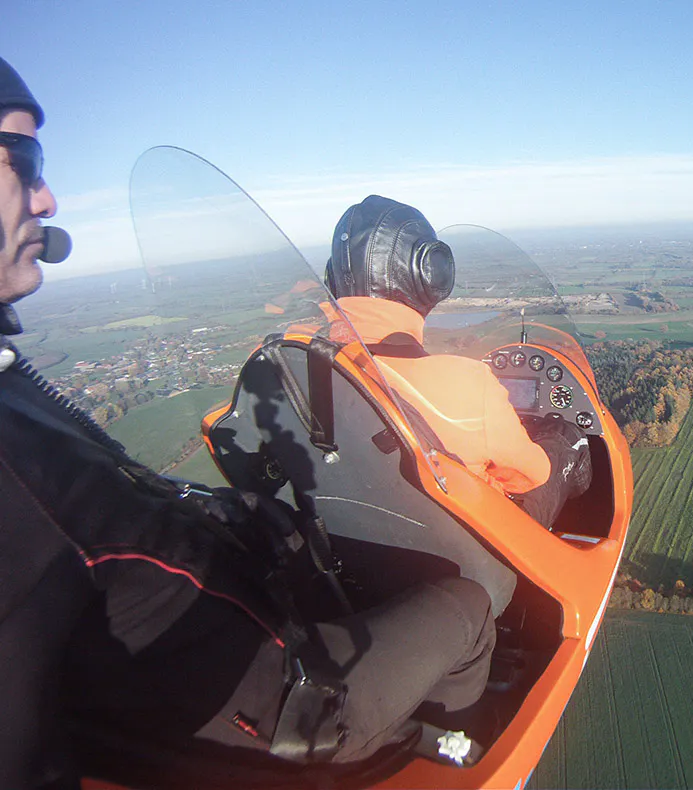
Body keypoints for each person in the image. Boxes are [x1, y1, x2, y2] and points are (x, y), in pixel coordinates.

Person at [0, 57, 495, 789]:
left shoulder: (283, 366)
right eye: (23, 159)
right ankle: (459, 755)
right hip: (287, 708)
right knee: (469, 607)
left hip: (235, 649)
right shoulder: (13, 463)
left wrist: (232, 515)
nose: (46, 197)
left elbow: (224, 443)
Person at [324, 195, 592, 528]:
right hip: (470, 536)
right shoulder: (466, 385)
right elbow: (529, 477)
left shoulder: (300, 366)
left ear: (332, 278)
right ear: (428, 274)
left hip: (354, 531)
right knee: (565, 437)